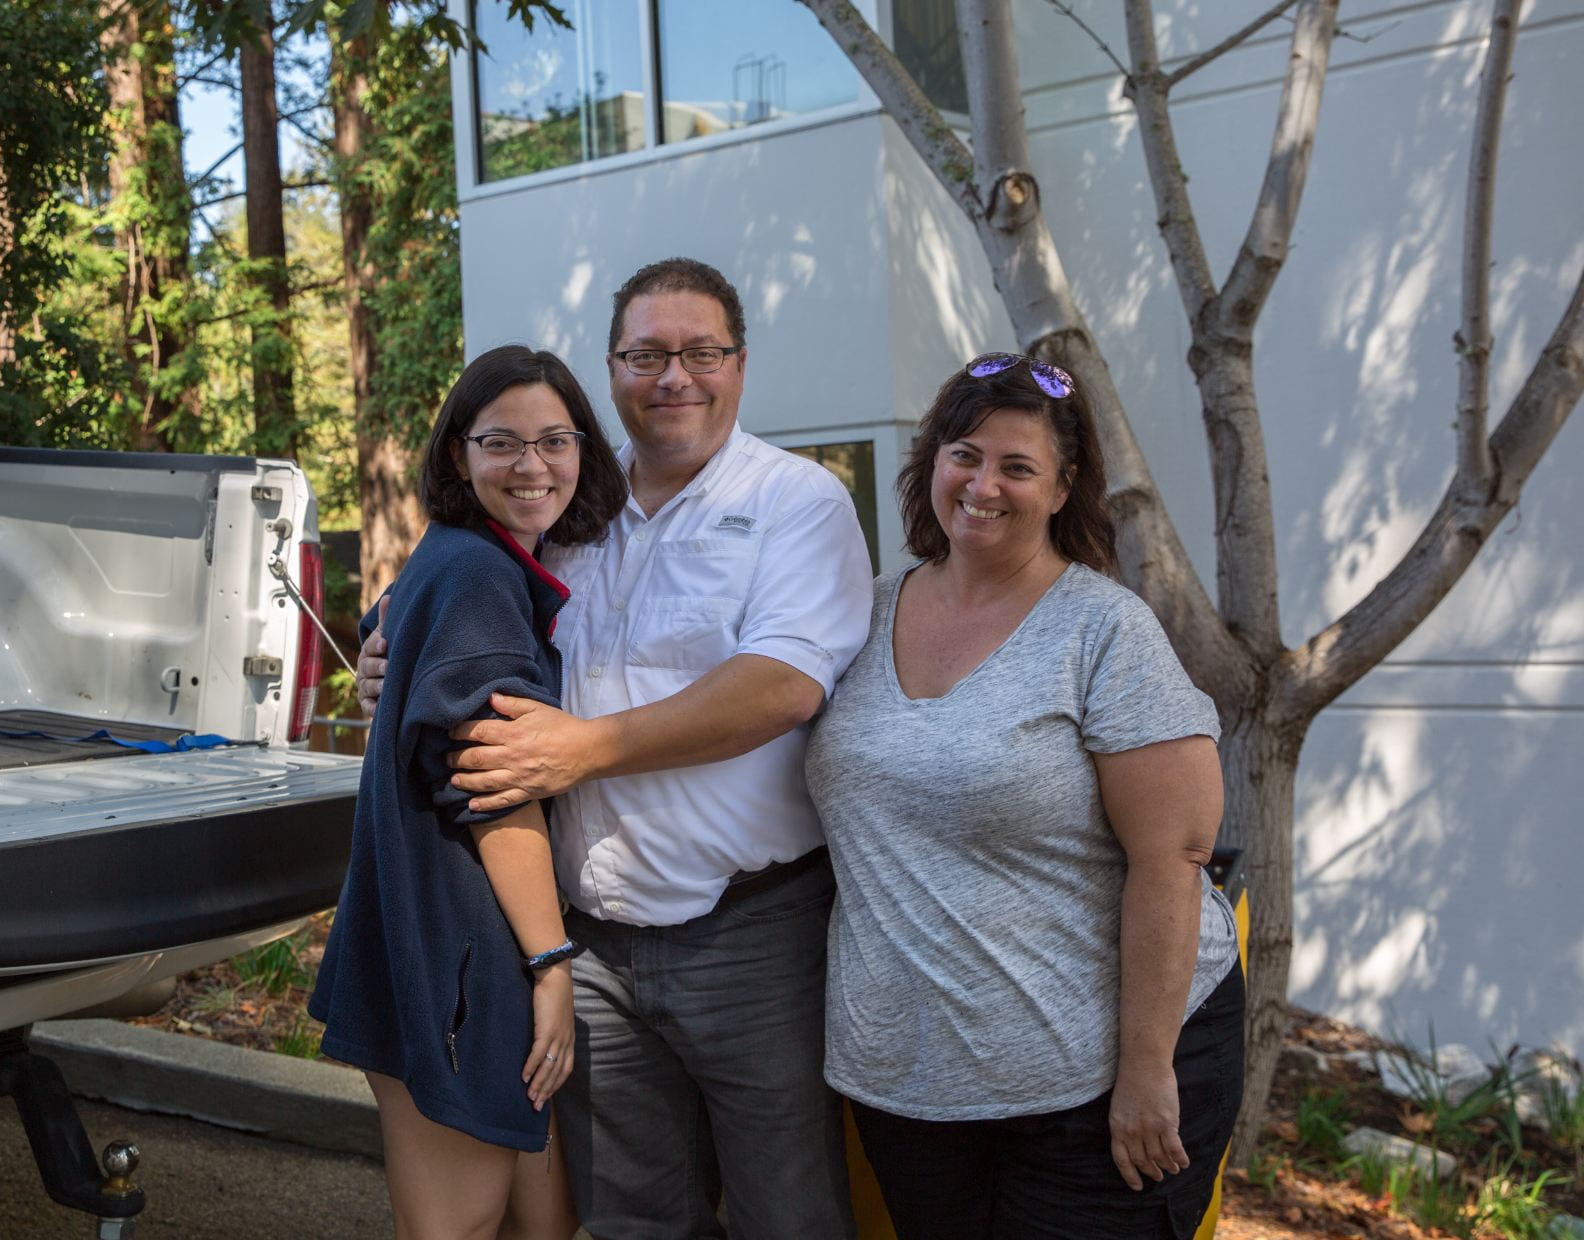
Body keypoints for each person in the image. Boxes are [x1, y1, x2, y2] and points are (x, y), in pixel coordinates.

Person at [359, 258, 874, 1239]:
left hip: (753, 935)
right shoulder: (567, 513)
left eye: (700, 352)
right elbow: (457, 606)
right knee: (635, 1221)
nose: (674, 375)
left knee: (789, 1214)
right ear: (613, 368)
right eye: (646, 354)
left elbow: (782, 684)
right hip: (591, 944)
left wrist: (582, 750)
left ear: (740, 363)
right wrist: (384, 662)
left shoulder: (796, 503)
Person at [803, 353, 1244, 1238]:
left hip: (1093, 1083)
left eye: (1017, 466)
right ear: (931, 460)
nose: (983, 485)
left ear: (1062, 485)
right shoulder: (859, 611)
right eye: (964, 454)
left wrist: (1147, 1069)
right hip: (910, 1081)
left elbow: (1176, 856)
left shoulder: (1103, 630)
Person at [308, 345, 629, 1240]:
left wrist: (384, 651)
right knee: (457, 1224)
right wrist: (550, 965)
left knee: (543, 1219)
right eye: (502, 443)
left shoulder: (458, 559)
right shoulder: (480, 576)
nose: (533, 467)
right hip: (464, 950)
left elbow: (391, 626)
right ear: (459, 455)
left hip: (431, 934)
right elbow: (497, 791)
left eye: (554, 441)